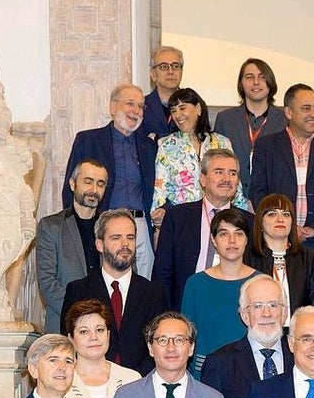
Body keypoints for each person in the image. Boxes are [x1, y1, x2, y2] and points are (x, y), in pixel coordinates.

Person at [61, 84, 157, 274]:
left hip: (140, 226)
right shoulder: (88, 140)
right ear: (112, 107)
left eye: (140, 106)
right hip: (103, 223)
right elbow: (70, 188)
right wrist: (78, 229)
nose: (135, 111)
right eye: (130, 103)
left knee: (142, 288)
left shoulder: (150, 146)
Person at [61, 209, 168, 375]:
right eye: (116, 238)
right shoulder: (78, 291)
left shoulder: (153, 293)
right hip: (88, 384)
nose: (125, 244)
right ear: (99, 244)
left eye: (130, 238)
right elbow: (68, 345)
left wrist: (134, 380)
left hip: (139, 385)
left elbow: (159, 344)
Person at [249, 83, 314, 262]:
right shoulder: (267, 146)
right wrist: (286, 227)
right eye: (306, 109)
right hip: (277, 241)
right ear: (288, 112)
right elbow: (258, 192)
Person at [153, 148, 253, 308]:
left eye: (233, 173)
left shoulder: (249, 222)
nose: (227, 179)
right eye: (219, 172)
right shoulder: (178, 217)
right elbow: (162, 273)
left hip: (234, 307)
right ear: (203, 179)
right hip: (187, 306)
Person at [180, 207, 266, 376]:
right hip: (205, 374)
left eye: (239, 233)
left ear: (247, 240)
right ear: (213, 239)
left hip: (251, 372)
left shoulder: (261, 282)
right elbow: (185, 335)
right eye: (224, 234)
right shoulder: (196, 284)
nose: (232, 240)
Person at [37, 159, 109, 332]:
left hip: (106, 327)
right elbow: (47, 282)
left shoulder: (111, 227)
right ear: (72, 184)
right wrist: (81, 315)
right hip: (65, 326)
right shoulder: (51, 227)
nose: (94, 190)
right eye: (88, 182)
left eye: (100, 184)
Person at [151, 87, 239, 214]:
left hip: (219, 216)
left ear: (198, 108)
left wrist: (242, 217)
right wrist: (157, 214)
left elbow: (235, 184)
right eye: (173, 111)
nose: (178, 115)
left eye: (182, 108)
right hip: (182, 218)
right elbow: (160, 187)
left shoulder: (222, 143)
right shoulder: (166, 145)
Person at [213, 57, 287, 198]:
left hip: (271, 200)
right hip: (233, 200)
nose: (256, 82)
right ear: (241, 84)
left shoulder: (285, 120)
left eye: (262, 77)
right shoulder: (225, 119)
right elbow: (218, 162)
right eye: (249, 77)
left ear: (270, 82)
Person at [244, 193, 314, 316]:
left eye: (286, 214)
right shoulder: (247, 257)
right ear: (260, 223)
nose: (280, 219)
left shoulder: (307, 257)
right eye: (272, 214)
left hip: (297, 330)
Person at [141, 46, 183, 141]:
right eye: (164, 67)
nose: (171, 71)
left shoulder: (194, 106)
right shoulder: (141, 106)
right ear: (153, 74)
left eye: (176, 66)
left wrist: (156, 137)